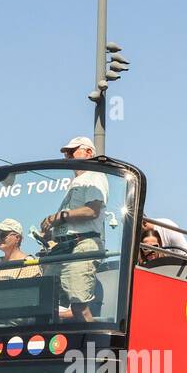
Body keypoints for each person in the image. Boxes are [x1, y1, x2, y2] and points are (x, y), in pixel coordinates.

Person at [45, 137, 108, 322]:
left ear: (89, 152)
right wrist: (52, 229)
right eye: (66, 153)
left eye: (71, 152)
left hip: (83, 243)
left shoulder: (95, 176)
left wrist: (58, 217)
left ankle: (95, 346)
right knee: (44, 297)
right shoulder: (76, 182)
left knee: (79, 304)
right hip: (65, 246)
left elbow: (92, 210)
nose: (67, 157)